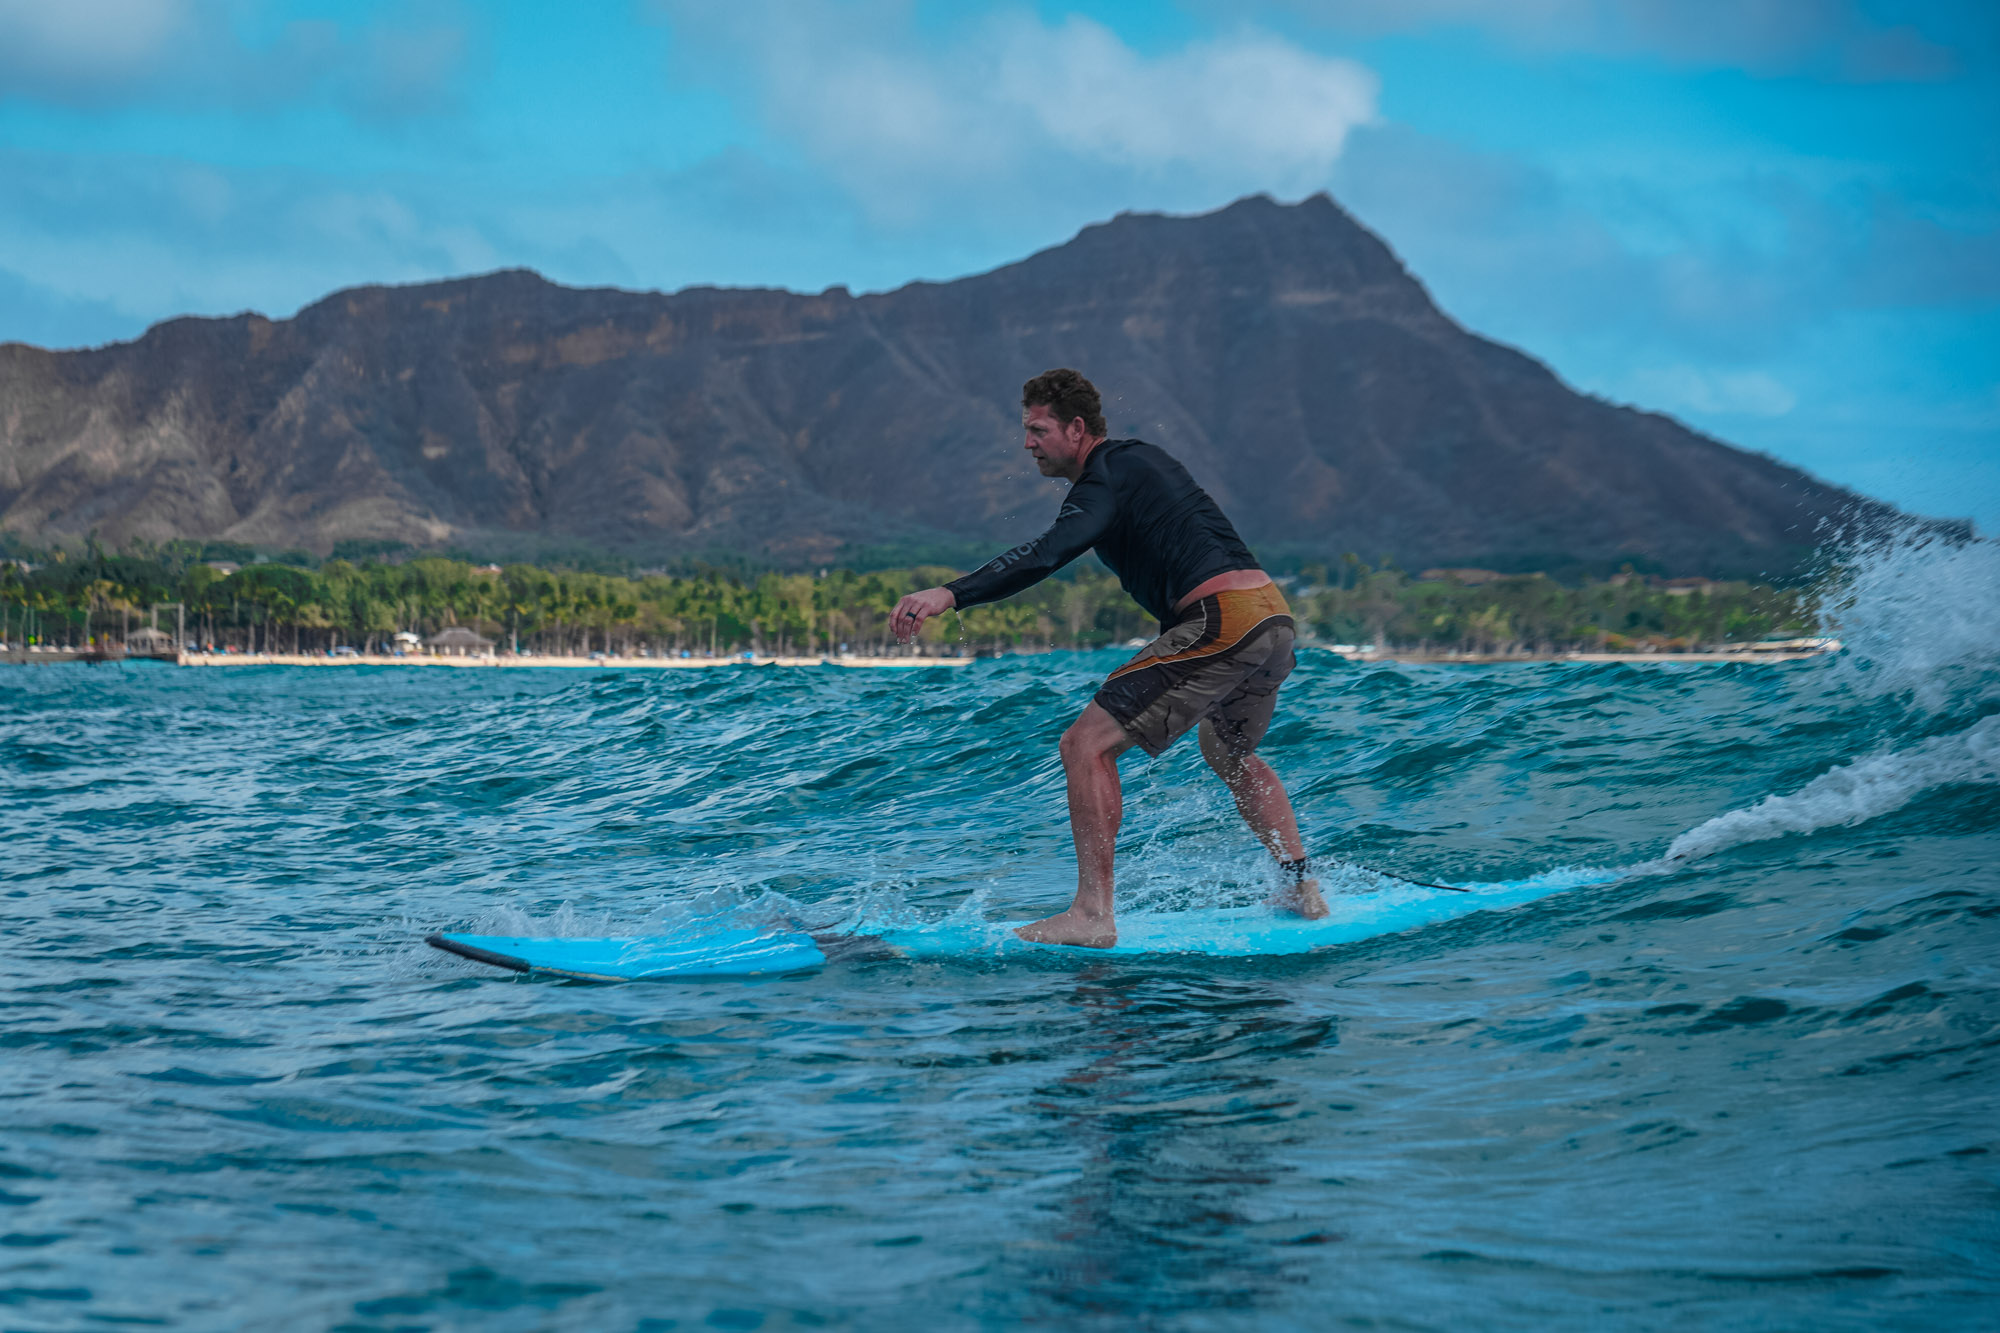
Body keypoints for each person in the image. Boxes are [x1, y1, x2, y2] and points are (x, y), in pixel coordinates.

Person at [892, 368, 1329, 948]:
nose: (1027, 443)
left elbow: (1048, 552)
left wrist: (950, 593)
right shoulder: (1140, 460)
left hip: (1225, 618)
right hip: (1271, 616)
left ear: (1076, 429)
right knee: (1230, 752)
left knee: (1084, 744)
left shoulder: (1102, 478)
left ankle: (1092, 914)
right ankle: (1303, 888)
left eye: (1037, 429)